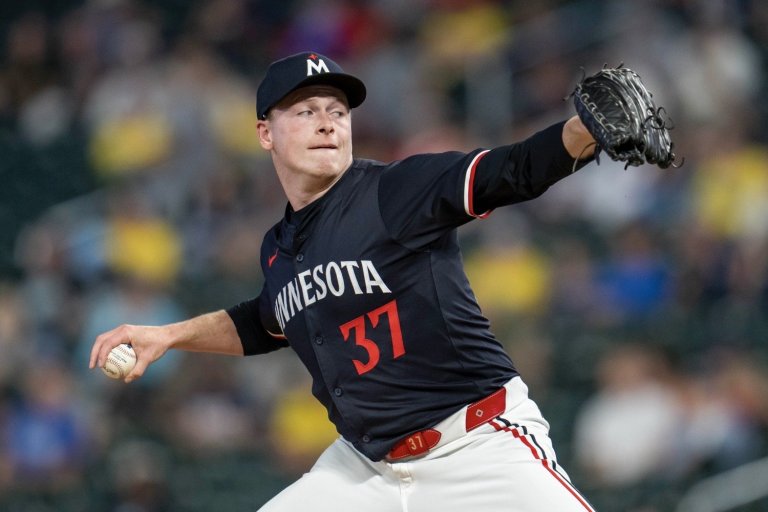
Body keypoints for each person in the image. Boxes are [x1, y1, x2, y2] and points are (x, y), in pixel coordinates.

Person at [90, 51, 598, 511]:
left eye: (337, 111)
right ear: (265, 133)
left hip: (475, 443)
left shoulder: (395, 190)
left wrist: (581, 132)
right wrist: (168, 335)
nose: (327, 123)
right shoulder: (278, 247)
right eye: (306, 111)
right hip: (364, 469)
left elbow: (512, 170)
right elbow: (264, 323)